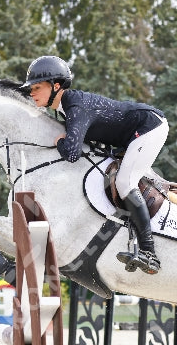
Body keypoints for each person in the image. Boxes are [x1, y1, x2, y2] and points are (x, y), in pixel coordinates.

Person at [21, 55, 168, 275]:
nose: (32, 92)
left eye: (37, 87)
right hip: (131, 134)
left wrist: (60, 141)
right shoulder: (63, 108)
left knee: (125, 183)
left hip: (149, 126)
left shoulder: (75, 106)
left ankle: (149, 253)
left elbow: (72, 154)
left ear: (56, 86)